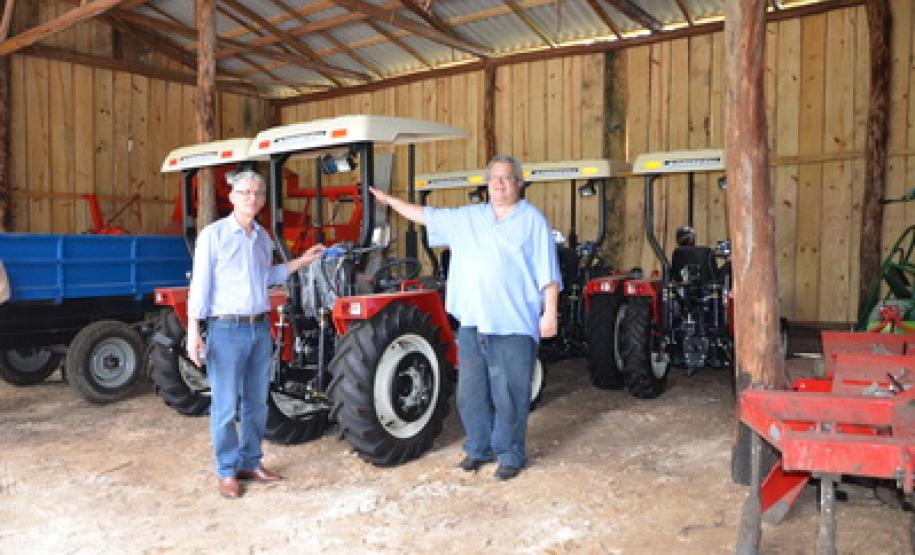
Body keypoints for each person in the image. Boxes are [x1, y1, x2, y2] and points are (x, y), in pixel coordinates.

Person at [370, 155, 561, 481]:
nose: (499, 184)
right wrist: (388, 200)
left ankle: (510, 455)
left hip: (513, 325)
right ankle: (478, 449)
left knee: (510, 396)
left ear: (518, 184)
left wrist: (550, 314)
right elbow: (425, 215)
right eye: (494, 178)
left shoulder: (533, 221)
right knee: (470, 394)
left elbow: (549, 274)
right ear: (487, 184)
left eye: (506, 178)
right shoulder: (468, 217)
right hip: (473, 325)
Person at [186, 169, 325, 499]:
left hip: (259, 328)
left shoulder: (262, 238)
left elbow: (268, 275)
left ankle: (251, 461)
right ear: (232, 197)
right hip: (225, 330)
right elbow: (200, 285)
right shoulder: (214, 235)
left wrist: (302, 261)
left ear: (262, 200)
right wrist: (194, 330)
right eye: (245, 192)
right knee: (224, 406)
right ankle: (226, 471)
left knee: (256, 403)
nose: (252, 198)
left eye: (257, 194)